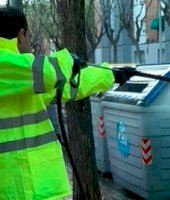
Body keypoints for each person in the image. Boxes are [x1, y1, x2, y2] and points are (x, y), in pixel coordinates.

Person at [0, 7, 133, 200]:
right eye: (29, 36)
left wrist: (110, 74)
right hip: (15, 190)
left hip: (38, 188)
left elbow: (71, 86)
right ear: (20, 35)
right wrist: (67, 59)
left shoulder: (24, 77)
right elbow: (48, 74)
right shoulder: (12, 66)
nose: (30, 42)